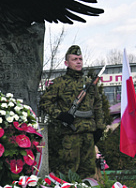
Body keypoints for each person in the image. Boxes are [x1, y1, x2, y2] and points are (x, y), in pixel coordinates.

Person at [40, 45, 104, 179]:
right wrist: (60, 115)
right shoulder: (59, 83)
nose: (79, 61)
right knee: (68, 172)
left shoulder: (89, 83)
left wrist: (99, 128)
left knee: (89, 173)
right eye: (75, 59)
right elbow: (45, 102)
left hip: (89, 134)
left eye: (80, 59)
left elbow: (97, 106)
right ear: (66, 63)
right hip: (70, 134)